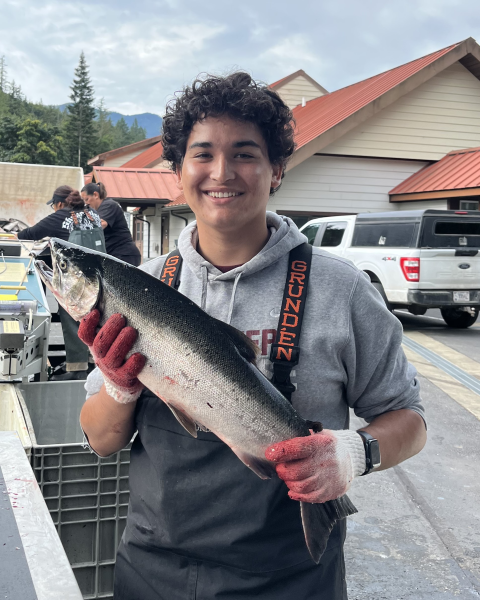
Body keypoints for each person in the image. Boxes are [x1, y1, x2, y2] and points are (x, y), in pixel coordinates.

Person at [79, 73, 427, 600]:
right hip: (153, 572)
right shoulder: (139, 288)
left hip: (289, 580)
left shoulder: (343, 290)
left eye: (244, 153)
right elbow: (101, 441)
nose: (222, 172)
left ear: (277, 169)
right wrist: (119, 388)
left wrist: (358, 451)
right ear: (177, 171)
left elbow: (411, 419)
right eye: (202, 155)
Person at [18, 185, 102, 380]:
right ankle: (92, 365)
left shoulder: (60, 216)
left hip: (75, 279)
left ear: (58, 203)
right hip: (97, 278)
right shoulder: (92, 214)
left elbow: (29, 234)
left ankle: (76, 369)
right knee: (94, 321)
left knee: (73, 320)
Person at [81, 182, 142, 266]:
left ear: (95, 195)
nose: (86, 203)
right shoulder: (95, 211)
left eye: (87, 199)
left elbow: (100, 224)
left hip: (124, 254)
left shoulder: (109, 205)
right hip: (113, 255)